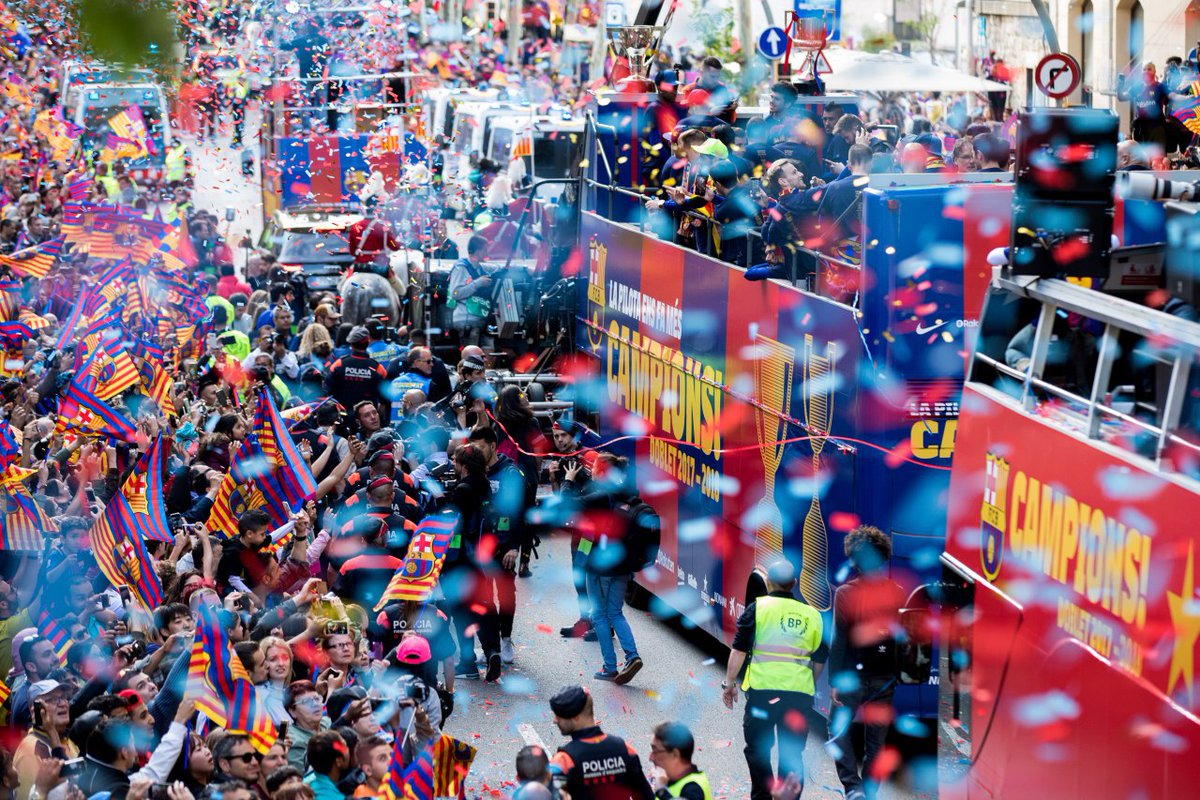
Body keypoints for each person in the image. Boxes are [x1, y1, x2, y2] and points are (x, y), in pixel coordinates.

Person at [722, 560, 827, 800]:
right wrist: (805, 682)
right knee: (792, 754)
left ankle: (763, 795)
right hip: (799, 698)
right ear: (794, 584)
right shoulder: (813, 616)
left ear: (767, 581)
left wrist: (729, 684)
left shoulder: (758, 609)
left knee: (757, 749)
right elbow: (819, 660)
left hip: (762, 695)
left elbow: (738, 650)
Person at [829, 526, 906, 800]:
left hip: (852, 678)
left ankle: (852, 787)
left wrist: (834, 680)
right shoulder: (897, 592)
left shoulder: (846, 593)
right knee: (876, 740)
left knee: (837, 730)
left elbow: (840, 641)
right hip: (884, 679)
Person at [548, 686, 653, 800]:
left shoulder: (564, 761)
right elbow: (646, 796)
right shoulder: (625, 750)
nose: (555, 720)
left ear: (576, 717)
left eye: (558, 715)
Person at [447, 235, 494, 345]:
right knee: (471, 356)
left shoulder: (480, 268)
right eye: (485, 250)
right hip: (466, 320)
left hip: (479, 320)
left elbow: (499, 267)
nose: (487, 253)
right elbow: (455, 293)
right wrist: (478, 283)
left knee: (487, 354)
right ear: (478, 251)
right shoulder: (461, 268)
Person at [648, 722, 711, 799]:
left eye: (656, 751)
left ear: (675, 754)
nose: (650, 758)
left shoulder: (693, 789)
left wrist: (661, 791)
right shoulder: (668, 780)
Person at [304, 731, 351, 800]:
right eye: (345, 746)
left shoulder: (308, 780)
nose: (348, 749)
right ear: (339, 761)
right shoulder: (334, 797)